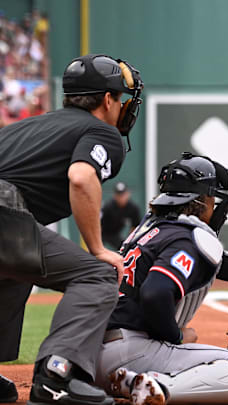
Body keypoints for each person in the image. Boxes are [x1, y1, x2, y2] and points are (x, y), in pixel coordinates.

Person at [97, 152, 228, 405]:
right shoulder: (187, 236)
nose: (216, 206)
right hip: (132, 351)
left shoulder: (151, 229)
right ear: (202, 201)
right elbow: (156, 293)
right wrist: (174, 336)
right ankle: (157, 387)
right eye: (213, 198)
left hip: (92, 354)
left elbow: (214, 258)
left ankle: (129, 382)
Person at [0, 53, 143, 405]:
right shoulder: (101, 131)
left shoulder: (27, 127)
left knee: (15, 272)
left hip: (10, 220)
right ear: (107, 100)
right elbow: (81, 178)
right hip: (5, 213)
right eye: (121, 99)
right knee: (97, 275)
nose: (123, 107)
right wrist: (97, 248)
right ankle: (56, 376)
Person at [101, 181, 141, 250]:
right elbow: (98, 224)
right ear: (115, 196)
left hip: (115, 234)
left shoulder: (132, 208)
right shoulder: (108, 207)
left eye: (123, 194)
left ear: (128, 194)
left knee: (125, 249)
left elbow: (135, 227)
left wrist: (129, 241)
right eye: (119, 195)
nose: (121, 197)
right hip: (102, 233)